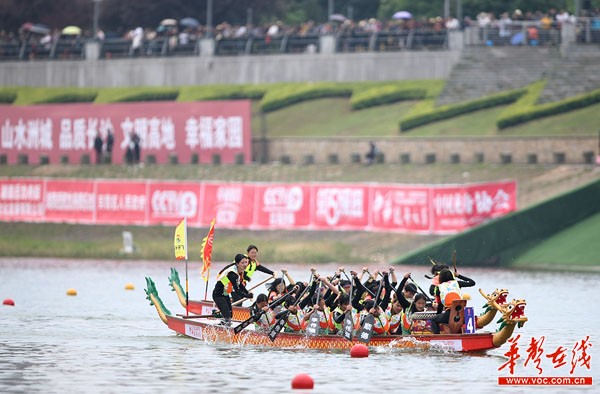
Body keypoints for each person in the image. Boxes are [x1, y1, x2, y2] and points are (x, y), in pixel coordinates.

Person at [430, 269, 476, 334]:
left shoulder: (439, 288)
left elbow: (440, 305)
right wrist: (459, 275)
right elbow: (472, 282)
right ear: (452, 276)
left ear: (440, 278)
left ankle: (437, 338)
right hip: (463, 315)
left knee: (434, 320)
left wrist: (438, 315)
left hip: (449, 315)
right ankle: (469, 335)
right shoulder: (457, 283)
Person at [212, 253, 253, 326]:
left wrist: (247, 292)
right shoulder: (233, 274)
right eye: (242, 263)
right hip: (218, 295)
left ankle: (222, 321)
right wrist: (247, 296)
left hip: (225, 294)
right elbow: (237, 291)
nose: (245, 264)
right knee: (228, 318)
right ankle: (222, 327)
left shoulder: (240, 271)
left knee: (230, 315)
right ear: (237, 264)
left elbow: (240, 284)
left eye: (246, 262)